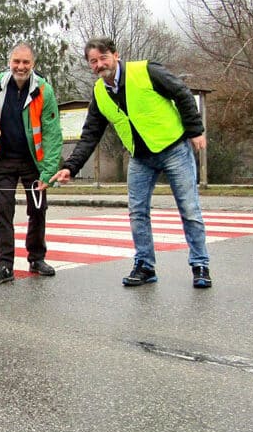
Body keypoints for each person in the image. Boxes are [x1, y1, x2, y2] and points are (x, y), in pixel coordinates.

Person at [50, 36, 212, 288]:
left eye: (103, 58)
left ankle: (200, 265)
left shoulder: (146, 71)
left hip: (174, 148)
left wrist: (195, 129)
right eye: (93, 61)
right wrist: (71, 167)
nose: (99, 64)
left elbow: (181, 92)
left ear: (115, 55)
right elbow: (90, 134)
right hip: (140, 157)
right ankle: (145, 265)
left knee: (189, 210)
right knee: (137, 212)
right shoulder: (99, 93)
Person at [0, 42, 63, 286]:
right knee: (4, 211)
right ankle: (4, 265)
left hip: (33, 161)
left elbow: (52, 133)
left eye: (25, 62)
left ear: (33, 64)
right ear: (9, 62)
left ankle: (36, 258)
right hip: (3, 159)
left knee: (38, 210)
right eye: (16, 62)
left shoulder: (44, 91)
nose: (20, 67)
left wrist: (49, 170)